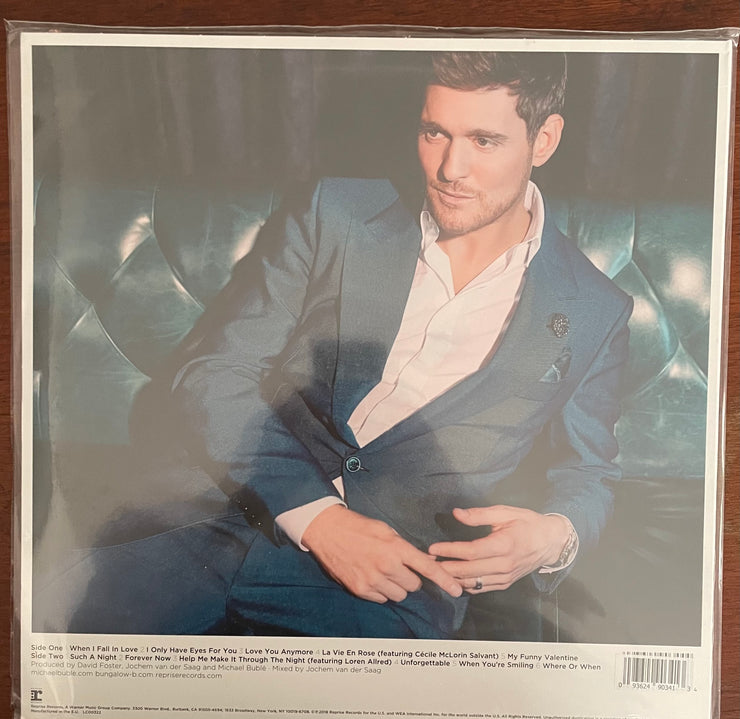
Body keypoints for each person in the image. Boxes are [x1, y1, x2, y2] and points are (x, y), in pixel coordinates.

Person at [39, 51, 632, 639]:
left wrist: (556, 536)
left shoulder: (594, 309)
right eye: (435, 132)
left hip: (393, 577)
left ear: (544, 140)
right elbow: (215, 373)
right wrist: (320, 518)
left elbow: (590, 470)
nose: (451, 169)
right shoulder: (338, 212)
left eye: (484, 141)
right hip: (218, 514)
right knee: (59, 649)